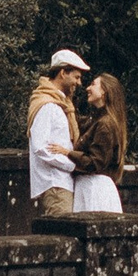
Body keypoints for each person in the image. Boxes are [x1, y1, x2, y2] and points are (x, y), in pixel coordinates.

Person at [28, 50, 90, 217]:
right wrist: (71, 165)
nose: (79, 83)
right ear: (63, 73)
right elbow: (40, 147)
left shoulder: (61, 105)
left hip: (62, 182)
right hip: (55, 183)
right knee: (62, 235)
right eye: (76, 77)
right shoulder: (48, 106)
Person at [72, 72, 129, 213]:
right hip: (89, 186)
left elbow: (95, 163)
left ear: (104, 92)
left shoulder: (105, 124)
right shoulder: (96, 120)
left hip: (95, 188)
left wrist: (68, 153)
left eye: (93, 84)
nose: (87, 88)